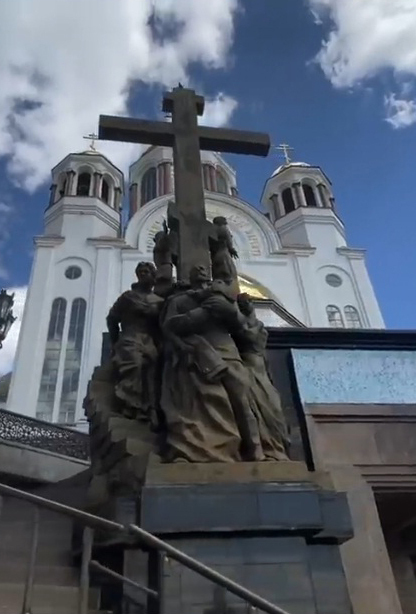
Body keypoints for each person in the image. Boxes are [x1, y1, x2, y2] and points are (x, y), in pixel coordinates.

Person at [160, 264, 264, 463]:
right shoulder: (179, 300)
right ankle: (201, 447)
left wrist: (230, 311)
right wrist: (202, 314)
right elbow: (169, 327)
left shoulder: (224, 298)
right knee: (201, 403)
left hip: (228, 352)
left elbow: (241, 326)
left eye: (204, 269)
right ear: (189, 276)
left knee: (242, 401)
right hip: (199, 355)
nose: (200, 269)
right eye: (196, 269)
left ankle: (255, 449)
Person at [106, 262, 164, 423]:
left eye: (147, 272)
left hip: (149, 340)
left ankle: (150, 410)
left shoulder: (159, 301)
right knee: (134, 365)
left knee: (153, 372)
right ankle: (130, 407)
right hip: (130, 337)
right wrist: (114, 342)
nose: (143, 274)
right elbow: (112, 319)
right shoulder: (128, 297)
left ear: (153, 276)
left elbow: (162, 326)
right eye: (141, 272)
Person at [235, 293, 290, 460]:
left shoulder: (258, 325)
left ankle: (278, 446)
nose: (247, 306)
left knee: (274, 409)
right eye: (243, 304)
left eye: (249, 303)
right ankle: (267, 447)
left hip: (262, 373)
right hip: (249, 371)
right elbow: (249, 336)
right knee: (258, 409)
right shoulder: (238, 327)